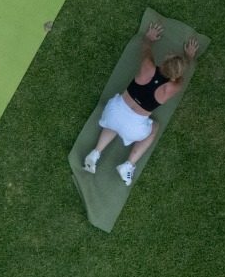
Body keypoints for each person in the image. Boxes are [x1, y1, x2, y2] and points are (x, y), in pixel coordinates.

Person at [84, 20, 199, 186]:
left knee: (115, 122)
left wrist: (149, 37)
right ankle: (128, 165)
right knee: (154, 128)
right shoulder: (174, 87)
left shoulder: (148, 67)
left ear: (165, 61)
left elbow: (146, 46)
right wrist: (188, 56)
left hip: (114, 112)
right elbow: (182, 72)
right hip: (134, 129)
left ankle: (95, 153)